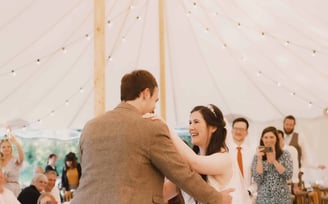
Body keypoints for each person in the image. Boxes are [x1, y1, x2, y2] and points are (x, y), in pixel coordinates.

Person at [70, 69, 233, 204]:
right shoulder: (150, 127)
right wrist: (217, 198)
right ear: (145, 93)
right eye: (156, 100)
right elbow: (180, 174)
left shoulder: (90, 127)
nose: (154, 108)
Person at [163, 104, 250, 204]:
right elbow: (165, 192)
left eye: (196, 122)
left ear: (213, 127)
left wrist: (166, 129)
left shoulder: (224, 159)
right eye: (190, 123)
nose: (191, 127)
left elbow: (195, 162)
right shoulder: (191, 164)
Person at [251, 126, 293, 204]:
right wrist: (260, 159)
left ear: (276, 139)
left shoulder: (285, 154)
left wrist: (274, 161)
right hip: (264, 199)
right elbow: (258, 179)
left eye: (271, 137)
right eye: (265, 137)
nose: (268, 140)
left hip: (283, 198)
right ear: (262, 139)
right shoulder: (257, 156)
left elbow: (288, 175)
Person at [228, 117, 257, 201]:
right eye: (236, 128)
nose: (238, 132)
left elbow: (257, 179)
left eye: (241, 129)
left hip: (246, 197)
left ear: (246, 132)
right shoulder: (225, 152)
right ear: (232, 130)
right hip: (229, 197)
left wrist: (249, 191)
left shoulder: (253, 153)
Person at [0, 126, 24, 197]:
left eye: (8, 146)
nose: (6, 149)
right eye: (3, 147)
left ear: (11, 148)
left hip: (14, 189)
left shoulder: (15, 159)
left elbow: (22, 158)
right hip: (2, 189)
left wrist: (16, 143)